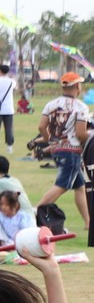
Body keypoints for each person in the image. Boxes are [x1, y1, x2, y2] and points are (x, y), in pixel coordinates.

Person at [35, 73, 89, 230]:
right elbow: (80, 134)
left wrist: (50, 140)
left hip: (57, 149)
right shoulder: (80, 107)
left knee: (80, 186)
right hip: (71, 151)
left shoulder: (51, 104)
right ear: (78, 86)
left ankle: (88, 223)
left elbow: (41, 126)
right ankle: (35, 212)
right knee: (62, 185)